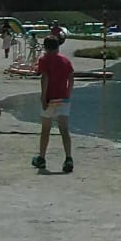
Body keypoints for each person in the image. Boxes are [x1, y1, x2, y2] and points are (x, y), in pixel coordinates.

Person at [32, 24, 77, 173]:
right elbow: (71, 78)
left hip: (50, 98)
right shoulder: (65, 61)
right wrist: (69, 94)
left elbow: (44, 78)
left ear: (45, 47)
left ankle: (42, 158)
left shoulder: (44, 60)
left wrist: (43, 97)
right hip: (63, 98)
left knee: (46, 129)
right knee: (64, 130)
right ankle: (68, 157)